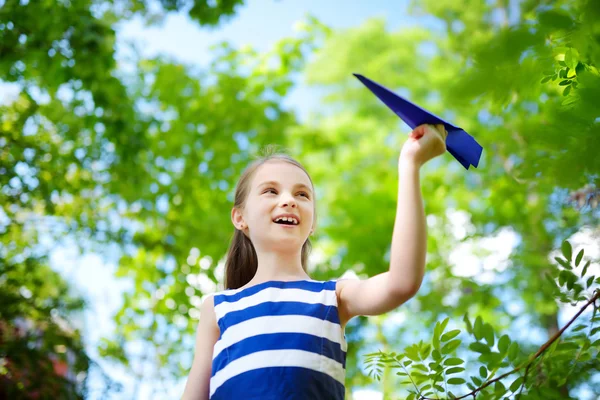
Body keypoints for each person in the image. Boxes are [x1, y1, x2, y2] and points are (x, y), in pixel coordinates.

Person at [181, 123, 448, 400]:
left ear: (312, 225)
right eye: (271, 191)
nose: (289, 200)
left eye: (302, 194)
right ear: (240, 218)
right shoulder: (217, 308)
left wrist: (410, 164)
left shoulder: (334, 296)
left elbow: (402, 282)